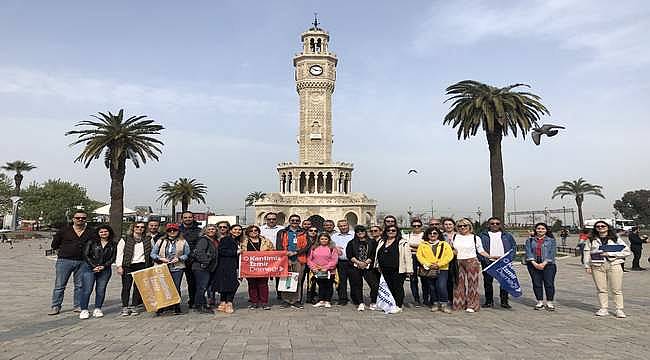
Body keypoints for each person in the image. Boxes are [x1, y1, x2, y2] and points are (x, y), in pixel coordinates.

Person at [49, 210, 97, 315]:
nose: (80, 219)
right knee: (60, 285)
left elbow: (94, 246)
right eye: (78, 218)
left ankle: (78, 305)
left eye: (83, 218)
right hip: (64, 261)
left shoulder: (91, 231)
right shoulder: (64, 230)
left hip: (83, 261)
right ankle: (56, 306)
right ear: (73, 219)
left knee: (79, 285)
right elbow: (54, 245)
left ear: (86, 220)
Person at [583, 220, 631, 318]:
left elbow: (627, 251)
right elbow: (586, 252)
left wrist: (610, 254)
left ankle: (619, 309)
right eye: (598, 226)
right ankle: (603, 308)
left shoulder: (615, 238)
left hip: (614, 264)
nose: (600, 228)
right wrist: (587, 265)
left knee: (616, 289)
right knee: (601, 288)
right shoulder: (591, 239)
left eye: (603, 226)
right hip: (597, 266)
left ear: (607, 227)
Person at [151, 223, 190, 315]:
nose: (172, 232)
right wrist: (160, 258)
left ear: (178, 231)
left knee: (176, 287)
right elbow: (153, 253)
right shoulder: (161, 241)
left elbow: (187, 254)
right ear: (167, 232)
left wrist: (179, 258)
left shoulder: (183, 241)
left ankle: (176, 306)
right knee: (162, 287)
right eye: (170, 230)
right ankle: (162, 306)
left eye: (174, 230)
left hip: (177, 267)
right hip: (162, 267)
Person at [478, 217, 517, 309]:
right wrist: (483, 259)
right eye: (492, 223)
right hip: (488, 262)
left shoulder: (507, 235)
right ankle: (489, 301)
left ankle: (504, 301)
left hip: (503, 262)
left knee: (504, 282)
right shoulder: (482, 235)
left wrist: (509, 258)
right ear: (488, 224)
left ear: (500, 224)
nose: (495, 225)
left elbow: (513, 247)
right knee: (488, 282)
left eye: (497, 223)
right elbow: (478, 248)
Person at [79, 225, 117, 319]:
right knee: (87, 290)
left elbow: (113, 258)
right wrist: (94, 266)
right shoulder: (92, 242)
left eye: (106, 231)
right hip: (89, 268)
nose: (104, 233)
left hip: (105, 269)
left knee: (101, 290)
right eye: (101, 232)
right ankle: (84, 309)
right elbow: (86, 255)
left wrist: (104, 266)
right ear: (98, 233)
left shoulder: (113, 244)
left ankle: (98, 308)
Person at [115, 221, 153, 316]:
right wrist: (119, 266)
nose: (139, 229)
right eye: (137, 227)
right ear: (133, 228)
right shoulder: (125, 239)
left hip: (142, 265)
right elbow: (119, 253)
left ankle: (134, 306)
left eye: (142, 227)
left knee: (138, 287)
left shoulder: (148, 239)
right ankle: (125, 306)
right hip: (128, 265)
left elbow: (152, 252)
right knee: (126, 287)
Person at [452, 218, 489, 313]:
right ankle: (459, 303)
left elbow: (481, 251)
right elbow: (450, 249)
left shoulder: (475, 238)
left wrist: (490, 256)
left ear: (469, 227)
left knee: (472, 284)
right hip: (457, 261)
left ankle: (472, 305)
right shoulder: (454, 237)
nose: (462, 228)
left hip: (471, 261)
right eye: (460, 226)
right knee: (458, 283)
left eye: (465, 226)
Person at [374, 225, 412, 313]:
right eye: (388, 230)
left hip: (397, 269)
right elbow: (378, 254)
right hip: (384, 269)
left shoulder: (402, 242)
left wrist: (409, 269)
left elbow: (408, 256)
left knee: (397, 287)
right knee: (388, 287)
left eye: (393, 230)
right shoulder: (382, 241)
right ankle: (389, 304)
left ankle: (398, 305)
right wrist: (377, 265)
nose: (391, 232)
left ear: (397, 231)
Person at [416, 227, 454, 313]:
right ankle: (435, 302)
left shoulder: (444, 244)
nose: (432, 235)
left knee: (441, 286)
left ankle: (444, 303)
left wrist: (439, 264)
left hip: (442, 268)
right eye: (430, 233)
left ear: (438, 235)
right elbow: (419, 256)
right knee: (432, 287)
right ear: (427, 235)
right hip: (429, 269)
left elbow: (449, 256)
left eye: (435, 233)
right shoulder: (423, 244)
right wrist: (428, 264)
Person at [276, 214, 308, 308]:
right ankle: (286, 300)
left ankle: (296, 300)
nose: (295, 222)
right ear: (289, 221)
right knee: (286, 280)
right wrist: (286, 255)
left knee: (297, 280)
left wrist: (295, 252)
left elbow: (307, 246)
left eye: (297, 220)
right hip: (285, 259)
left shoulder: (304, 232)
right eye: (293, 220)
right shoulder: (282, 232)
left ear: (299, 222)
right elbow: (279, 245)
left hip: (299, 259)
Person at [524, 223, 557, 311]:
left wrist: (544, 263)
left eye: (543, 229)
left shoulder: (551, 240)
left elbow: (552, 253)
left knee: (549, 283)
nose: (540, 230)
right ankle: (540, 301)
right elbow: (528, 252)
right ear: (535, 230)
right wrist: (534, 263)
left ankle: (549, 302)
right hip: (533, 264)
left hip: (548, 265)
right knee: (536, 283)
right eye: (538, 228)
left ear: (546, 230)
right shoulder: (530, 240)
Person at [346, 225, 379, 311]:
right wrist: (358, 262)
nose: (360, 233)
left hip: (368, 267)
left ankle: (373, 301)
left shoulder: (372, 242)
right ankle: (360, 302)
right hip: (355, 266)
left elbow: (374, 254)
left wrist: (366, 262)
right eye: (358, 231)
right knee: (357, 285)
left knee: (374, 285)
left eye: (362, 231)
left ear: (365, 232)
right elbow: (349, 255)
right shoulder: (351, 243)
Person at [241, 224, 274, 310]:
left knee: (263, 284)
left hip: (263, 266)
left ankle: (264, 302)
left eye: (256, 230)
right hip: (250, 266)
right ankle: (254, 302)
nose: (254, 232)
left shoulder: (266, 241)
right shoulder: (243, 242)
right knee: (252, 284)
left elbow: (273, 252)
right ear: (248, 232)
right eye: (251, 231)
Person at [214, 224, 242, 314]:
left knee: (229, 284)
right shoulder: (226, 239)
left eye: (239, 230)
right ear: (230, 230)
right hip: (226, 265)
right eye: (235, 229)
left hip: (235, 265)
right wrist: (236, 252)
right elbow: (222, 251)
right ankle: (228, 302)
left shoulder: (238, 240)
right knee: (231, 284)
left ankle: (224, 302)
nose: (237, 231)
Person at [191, 224, 219, 314]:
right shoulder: (204, 240)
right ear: (205, 230)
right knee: (201, 287)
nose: (211, 230)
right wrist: (205, 262)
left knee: (205, 286)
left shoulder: (214, 240)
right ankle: (199, 305)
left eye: (213, 229)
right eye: (209, 229)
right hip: (201, 267)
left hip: (209, 267)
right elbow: (199, 252)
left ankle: (202, 304)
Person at [309, 233, 339, 308]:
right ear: (319, 240)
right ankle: (321, 300)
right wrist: (313, 268)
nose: (324, 240)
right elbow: (309, 259)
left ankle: (328, 301)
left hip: (329, 271)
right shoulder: (314, 248)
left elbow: (334, 260)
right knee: (321, 285)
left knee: (328, 286)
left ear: (329, 240)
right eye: (322, 239)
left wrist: (327, 267)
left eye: (325, 239)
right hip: (317, 270)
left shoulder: (332, 248)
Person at [180, 211, 202, 309]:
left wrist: (193, 256)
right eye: (185, 217)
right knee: (175, 282)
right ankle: (173, 303)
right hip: (178, 260)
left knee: (192, 282)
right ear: (182, 219)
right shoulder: (177, 230)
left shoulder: (199, 231)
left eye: (190, 217)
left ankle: (193, 301)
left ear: (193, 218)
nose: (188, 219)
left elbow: (199, 246)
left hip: (193, 260)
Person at [332, 219, 354, 305]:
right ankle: (343, 299)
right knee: (341, 281)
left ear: (348, 225)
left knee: (354, 281)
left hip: (352, 261)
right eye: (340, 226)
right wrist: (334, 247)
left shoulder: (354, 234)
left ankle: (356, 298)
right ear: (338, 227)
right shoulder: (334, 236)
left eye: (344, 225)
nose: (343, 227)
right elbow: (329, 244)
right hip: (340, 261)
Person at [406, 218, 427, 307]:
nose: (416, 227)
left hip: (423, 258)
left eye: (418, 226)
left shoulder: (425, 235)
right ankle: (416, 299)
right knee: (413, 279)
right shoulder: (408, 236)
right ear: (411, 227)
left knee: (425, 279)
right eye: (414, 226)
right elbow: (406, 247)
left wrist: (413, 246)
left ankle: (426, 299)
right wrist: (419, 247)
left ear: (421, 227)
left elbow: (426, 247)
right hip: (411, 258)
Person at [441, 218, 457, 304]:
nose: (448, 226)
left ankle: (457, 298)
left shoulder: (458, 235)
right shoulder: (441, 236)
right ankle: (448, 298)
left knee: (456, 279)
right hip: (445, 259)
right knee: (447, 280)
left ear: (454, 225)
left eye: (450, 224)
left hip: (457, 259)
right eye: (446, 224)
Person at [303, 226, 320, 304]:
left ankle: (310, 297)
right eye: (311, 230)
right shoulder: (303, 239)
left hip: (314, 263)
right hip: (302, 261)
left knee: (312, 280)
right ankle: (298, 297)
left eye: (315, 231)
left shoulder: (318, 241)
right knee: (301, 280)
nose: (313, 232)